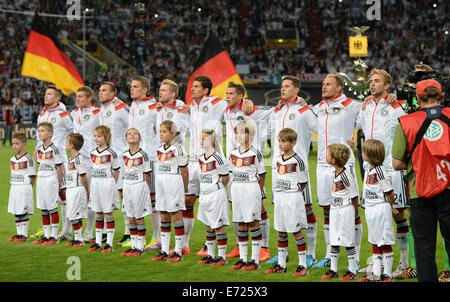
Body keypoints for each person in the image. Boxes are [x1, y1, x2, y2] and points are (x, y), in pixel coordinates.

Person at [392, 79, 450, 282]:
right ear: (441, 95)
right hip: (449, 190)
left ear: (417, 98)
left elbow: (397, 163)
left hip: (419, 191)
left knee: (424, 249)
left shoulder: (406, 121)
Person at [359, 69, 410, 277]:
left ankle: (405, 263)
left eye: (377, 81)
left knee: (397, 215)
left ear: (387, 85)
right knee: (373, 216)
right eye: (371, 81)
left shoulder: (395, 106)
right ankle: (377, 265)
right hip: (369, 170)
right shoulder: (367, 106)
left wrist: (398, 100)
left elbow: (411, 121)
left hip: (390, 169)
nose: (372, 84)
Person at [312, 74, 363, 269]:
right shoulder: (318, 108)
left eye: (328, 84)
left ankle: (356, 257)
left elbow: (369, 115)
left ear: (339, 87)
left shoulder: (352, 105)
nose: (323, 87)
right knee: (326, 208)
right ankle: (328, 254)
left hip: (344, 166)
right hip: (322, 165)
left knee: (353, 209)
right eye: (323, 84)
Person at [268, 75, 318, 267]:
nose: (283, 89)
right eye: (282, 86)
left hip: (297, 169)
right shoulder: (277, 111)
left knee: (306, 207)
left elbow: (321, 127)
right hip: (277, 167)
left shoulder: (304, 110)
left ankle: (310, 254)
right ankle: (283, 256)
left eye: (287, 86)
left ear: (297, 89)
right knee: (280, 209)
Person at [223, 81, 272, 262]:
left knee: (259, 208)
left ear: (240, 96)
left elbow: (273, 111)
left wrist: (251, 102)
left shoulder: (252, 111)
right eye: (226, 93)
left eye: (230, 94)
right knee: (235, 207)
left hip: (251, 167)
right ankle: (239, 245)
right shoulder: (225, 110)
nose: (227, 96)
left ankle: (264, 248)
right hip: (234, 165)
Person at [263, 128, 309, 277]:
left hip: (292, 198)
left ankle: (302, 265)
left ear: (293, 142)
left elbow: (303, 183)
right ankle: (281, 264)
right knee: (281, 231)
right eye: (279, 141)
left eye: (283, 141)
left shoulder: (298, 161)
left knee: (296, 231)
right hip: (280, 198)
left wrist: (292, 192)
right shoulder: (277, 159)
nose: (280, 144)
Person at [33, 85, 73, 243]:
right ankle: (48, 231)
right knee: (46, 197)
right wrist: (36, 153)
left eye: (49, 94)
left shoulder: (64, 115)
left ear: (57, 98)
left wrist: (69, 149)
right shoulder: (42, 114)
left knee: (63, 195)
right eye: (45, 93)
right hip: (44, 161)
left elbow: (73, 132)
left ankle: (67, 231)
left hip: (60, 160)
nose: (46, 96)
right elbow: (38, 138)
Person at [229, 120, 266, 271]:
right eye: (236, 132)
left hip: (251, 190)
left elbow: (262, 175)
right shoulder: (232, 153)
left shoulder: (255, 153)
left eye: (241, 132)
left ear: (250, 135)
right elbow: (231, 173)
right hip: (237, 190)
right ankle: (242, 259)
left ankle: (255, 260)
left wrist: (257, 192)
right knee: (241, 224)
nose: (238, 135)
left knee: (253, 223)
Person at [128, 76, 159, 250]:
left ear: (145, 89)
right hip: (133, 160)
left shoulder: (154, 107)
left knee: (153, 198)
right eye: (131, 86)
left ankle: (156, 238)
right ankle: (135, 237)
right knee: (134, 198)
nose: (132, 89)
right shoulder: (132, 106)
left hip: (150, 158)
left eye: (136, 86)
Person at [358, 139, 396, 282]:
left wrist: (391, 207)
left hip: (381, 209)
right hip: (371, 210)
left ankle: (387, 275)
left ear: (370, 154)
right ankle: (377, 274)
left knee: (384, 242)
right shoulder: (369, 170)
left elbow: (389, 192)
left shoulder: (380, 171)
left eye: (363, 151)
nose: (361, 154)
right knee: (375, 241)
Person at [98, 81, 130, 246]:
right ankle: (104, 231)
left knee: (124, 193)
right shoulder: (102, 110)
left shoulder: (121, 108)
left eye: (104, 90)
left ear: (113, 93)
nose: (100, 93)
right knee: (105, 192)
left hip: (121, 156)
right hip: (105, 158)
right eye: (99, 90)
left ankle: (129, 232)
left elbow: (132, 127)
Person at [321, 143, 359, 280]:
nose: (326, 156)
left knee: (348, 241)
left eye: (328, 154)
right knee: (334, 239)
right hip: (335, 211)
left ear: (333, 160)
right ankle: (333, 269)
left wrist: (354, 214)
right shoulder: (334, 173)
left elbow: (354, 195)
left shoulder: (346, 174)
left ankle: (352, 271)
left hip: (345, 211)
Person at [152, 120, 189, 263]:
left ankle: (178, 252)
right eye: (160, 131)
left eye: (164, 131)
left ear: (173, 133)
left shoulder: (178, 148)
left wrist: (184, 188)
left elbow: (185, 170)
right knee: (164, 216)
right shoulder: (160, 149)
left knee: (176, 216)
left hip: (174, 183)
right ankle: (165, 251)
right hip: (161, 184)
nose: (161, 134)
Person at [71, 86, 101, 242]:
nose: (78, 99)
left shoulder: (97, 113)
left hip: (90, 159)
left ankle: (90, 231)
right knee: (77, 195)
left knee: (90, 196)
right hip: (76, 159)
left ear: (90, 98)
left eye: (81, 96)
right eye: (77, 96)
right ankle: (74, 231)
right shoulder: (74, 113)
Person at [196, 129, 230, 266]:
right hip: (204, 196)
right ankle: (210, 254)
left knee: (218, 226)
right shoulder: (201, 157)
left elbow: (226, 177)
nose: (201, 140)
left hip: (215, 195)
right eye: (200, 138)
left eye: (203, 138)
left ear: (211, 141)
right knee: (208, 225)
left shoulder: (218, 157)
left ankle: (222, 257)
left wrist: (217, 189)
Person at [87, 125, 120, 253]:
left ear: (106, 137)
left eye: (99, 136)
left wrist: (112, 184)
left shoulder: (111, 153)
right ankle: (98, 242)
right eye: (95, 136)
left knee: (108, 213)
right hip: (95, 184)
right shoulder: (93, 153)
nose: (96, 138)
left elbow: (116, 171)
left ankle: (109, 244)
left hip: (107, 183)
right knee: (98, 212)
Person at [120, 128, 152, 257]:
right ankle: (133, 246)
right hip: (127, 187)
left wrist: (147, 190)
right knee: (130, 217)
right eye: (129, 134)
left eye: (135, 134)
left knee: (139, 217)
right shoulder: (124, 154)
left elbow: (147, 174)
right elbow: (124, 172)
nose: (132, 135)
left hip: (139, 186)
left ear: (139, 139)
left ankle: (140, 247)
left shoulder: (143, 154)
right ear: (126, 138)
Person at [32, 122, 63, 245]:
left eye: (42, 131)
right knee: (43, 208)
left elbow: (59, 168)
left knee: (52, 208)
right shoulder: (39, 149)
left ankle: (54, 236)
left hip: (51, 179)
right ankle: (46, 234)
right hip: (41, 179)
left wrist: (59, 185)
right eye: (38, 131)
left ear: (50, 133)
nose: (40, 133)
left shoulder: (54, 149)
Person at [7, 132, 35, 242]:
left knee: (23, 211)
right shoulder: (12, 159)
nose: (14, 146)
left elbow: (33, 176)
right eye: (13, 144)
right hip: (14, 186)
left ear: (24, 144)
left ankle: (24, 234)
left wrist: (29, 188)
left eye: (17, 143)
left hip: (24, 187)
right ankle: (19, 234)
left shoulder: (28, 159)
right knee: (16, 210)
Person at [64, 133, 89, 248]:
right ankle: (77, 238)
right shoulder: (72, 158)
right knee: (73, 214)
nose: (65, 145)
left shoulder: (78, 159)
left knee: (74, 214)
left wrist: (87, 191)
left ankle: (79, 239)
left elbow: (83, 176)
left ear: (72, 145)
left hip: (77, 189)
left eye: (66, 143)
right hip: (71, 189)